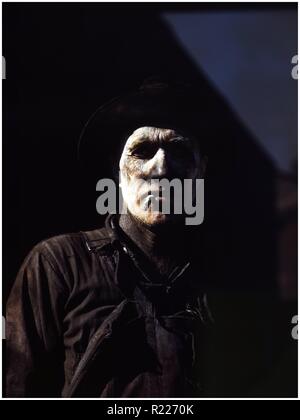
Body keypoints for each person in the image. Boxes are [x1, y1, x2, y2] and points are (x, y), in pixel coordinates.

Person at [6, 79, 274, 398]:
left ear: (200, 170)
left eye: (179, 151)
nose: (161, 169)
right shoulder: (59, 264)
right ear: (117, 170)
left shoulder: (227, 276)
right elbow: (17, 388)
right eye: (143, 151)